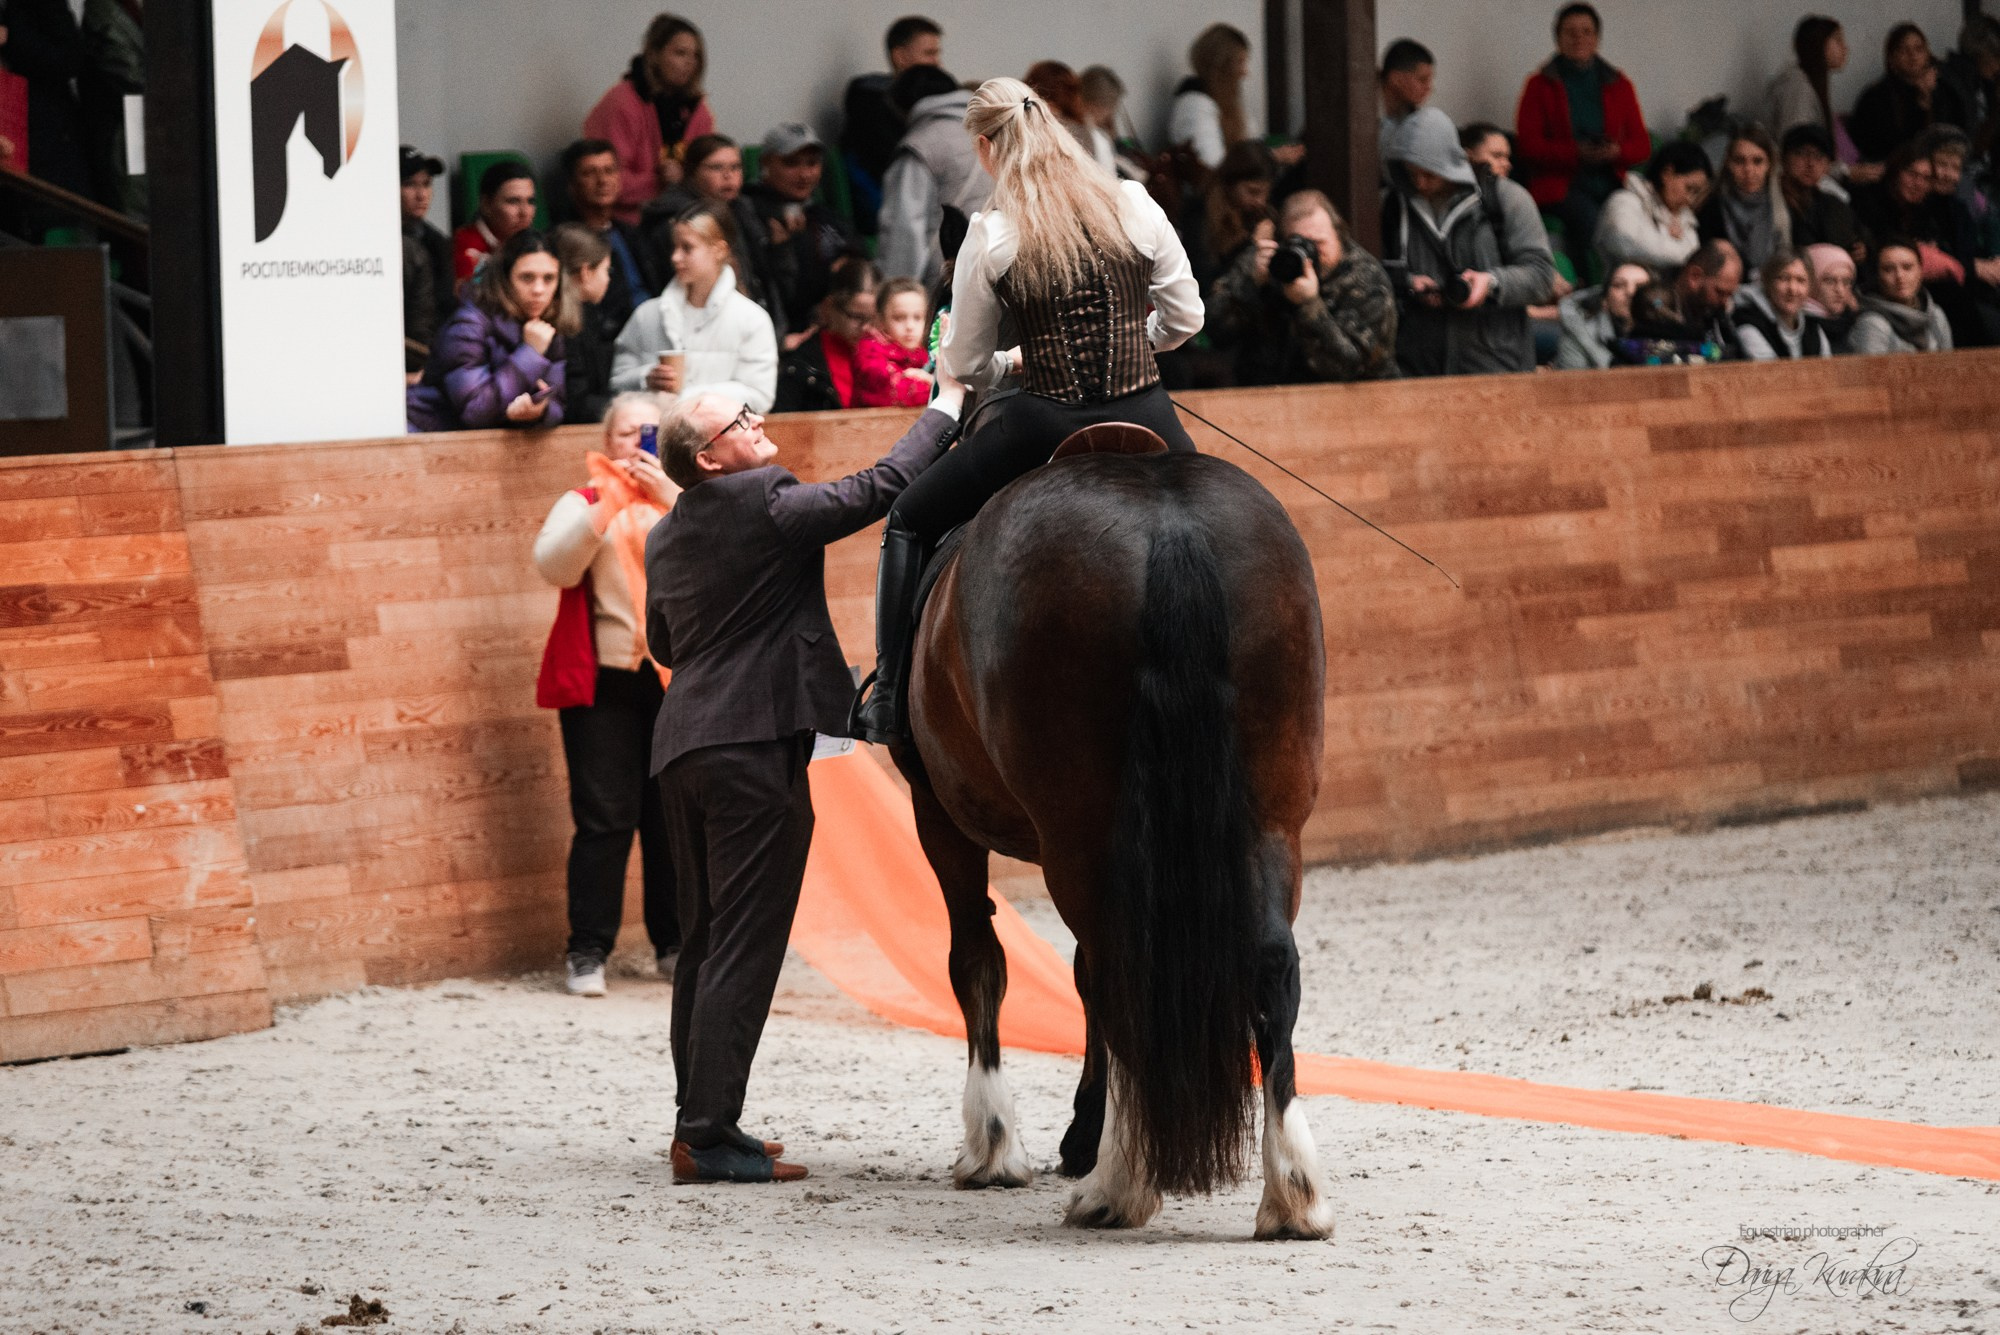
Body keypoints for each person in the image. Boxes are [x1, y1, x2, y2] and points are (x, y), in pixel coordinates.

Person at [642, 376, 964, 1184]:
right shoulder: (764, 496)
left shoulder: (665, 532)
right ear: (709, 457)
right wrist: (948, 408)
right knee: (744, 943)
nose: (758, 422)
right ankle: (709, 1136)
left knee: (706, 939)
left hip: (684, 744)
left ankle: (697, 1119)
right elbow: (881, 489)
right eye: (739, 420)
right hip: (752, 745)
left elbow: (667, 642)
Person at [852, 77, 1204, 744]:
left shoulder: (993, 232)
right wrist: (1138, 341)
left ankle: (889, 696)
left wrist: (1012, 364)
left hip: (1043, 417)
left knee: (908, 518)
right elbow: (1186, 317)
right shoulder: (1133, 201)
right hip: (1148, 408)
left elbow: (965, 364)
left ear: (986, 147)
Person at [534, 391, 682, 998]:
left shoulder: (686, 499)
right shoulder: (584, 500)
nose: (637, 441)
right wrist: (609, 505)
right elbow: (554, 566)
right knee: (604, 819)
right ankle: (588, 950)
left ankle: (674, 944)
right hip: (604, 682)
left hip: (678, 681)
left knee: (671, 818)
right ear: (607, 440)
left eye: (650, 431)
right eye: (626, 432)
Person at [1381, 107, 1556, 378]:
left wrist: (1491, 284)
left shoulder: (1507, 199)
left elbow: (1542, 276)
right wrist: (1407, 283)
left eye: (1429, 174)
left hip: (1496, 362)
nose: (1420, 183)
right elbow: (1371, 277)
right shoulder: (1391, 208)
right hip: (1417, 366)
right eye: (1411, 173)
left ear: (1449, 163)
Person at [1514, 2, 1652, 276]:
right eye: (1571, 32)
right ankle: (1597, 286)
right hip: (1561, 184)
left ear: (1597, 38)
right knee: (1588, 220)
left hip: (1611, 178)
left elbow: (1642, 145)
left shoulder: (1619, 84)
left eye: (1586, 32)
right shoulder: (1539, 86)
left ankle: (1633, 285)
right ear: (1558, 38)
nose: (1579, 38)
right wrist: (1575, 152)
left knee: (1630, 217)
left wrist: (1615, 152)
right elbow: (1528, 146)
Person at [1207, 189, 1397, 385]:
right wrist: (1251, 284)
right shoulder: (1266, 262)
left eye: (1318, 243)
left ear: (1339, 235)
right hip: (1266, 392)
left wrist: (1309, 305)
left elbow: (1348, 369)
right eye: (1298, 242)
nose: (1310, 253)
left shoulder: (1366, 277)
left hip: (1356, 401)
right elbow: (1211, 332)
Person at [612, 203, 778, 412]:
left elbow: (760, 396)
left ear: (719, 250)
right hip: (655, 438)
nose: (675, 257)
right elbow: (616, 382)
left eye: (687, 248)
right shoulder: (648, 315)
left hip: (721, 439)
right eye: (674, 247)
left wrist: (689, 399)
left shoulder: (752, 319)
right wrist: (645, 378)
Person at [408, 230, 574, 432]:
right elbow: (475, 412)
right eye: (527, 278)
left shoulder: (545, 326)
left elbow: (558, 404)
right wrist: (530, 353)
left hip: (484, 447)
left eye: (549, 279)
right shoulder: (468, 325)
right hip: (427, 437)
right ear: (505, 279)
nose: (539, 289)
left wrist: (539, 412)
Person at [638, 135, 781, 329]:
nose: (728, 175)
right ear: (692, 172)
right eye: (716, 167)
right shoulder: (675, 221)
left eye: (735, 167)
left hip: (753, 323)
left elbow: (764, 280)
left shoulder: (743, 210)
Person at [583, 14, 715, 225]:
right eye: (680, 53)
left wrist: (687, 180)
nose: (690, 63)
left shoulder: (697, 110)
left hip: (682, 214)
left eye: (696, 55)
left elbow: (708, 177)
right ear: (654, 55)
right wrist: (662, 182)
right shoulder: (622, 103)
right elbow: (608, 184)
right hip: (626, 221)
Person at [743, 122, 860, 343]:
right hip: (780, 335)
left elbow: (857, 250)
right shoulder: (748, 213)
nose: (805, 174)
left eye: (812, 163)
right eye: (791, 163)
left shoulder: (820, 212)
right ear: (766, 163)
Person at [878, 65, 992, 287]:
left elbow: (905, 231)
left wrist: (895, 293)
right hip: (998, 272)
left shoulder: (918, 147)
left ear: (903, 108)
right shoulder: (990, 135)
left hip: (947, 280)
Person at [840, 15, 944, 233]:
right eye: (929, 53)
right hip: (888, 211)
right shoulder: (871, 106)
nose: (937, 63)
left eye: (937, 53)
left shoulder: (928, 104)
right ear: (900, 57)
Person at [560, 138, 664, 336]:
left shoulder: (634, 233)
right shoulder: (565, 242)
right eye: (590, 173)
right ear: (571, 185)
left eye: (609, 171)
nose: (603, 181)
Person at [1170, 24, 1303, 174]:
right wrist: (1271, 157)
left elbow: (1251, 141)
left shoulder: (1227, 103)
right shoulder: (1195, 105)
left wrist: (1277, 151)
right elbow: (1213, 164)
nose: (1245, 72)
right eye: (1240, 62)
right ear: (1221, 66)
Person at [1850, 24, 1970, 170]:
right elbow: (1890, 147)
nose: (1913, 56)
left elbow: (1959, 134)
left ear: (1927, 54)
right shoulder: (1876, 96)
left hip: (1945, 168)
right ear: (1892, 57)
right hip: (1897, 171)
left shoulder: (1945, 89)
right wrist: (1921, 106)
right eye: (1904, 50)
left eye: (1919, 49)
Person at [773, 259, 882, 412]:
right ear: (829, 307)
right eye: (856, 317)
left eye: (873, 318)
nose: (866, 327)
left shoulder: (890, 355)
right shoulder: (801, 365)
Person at [1592, 140, 1711, 274]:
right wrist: (1670, 237)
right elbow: (1625, 244)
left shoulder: (1684, 216)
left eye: (1697, 193)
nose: (1690, 200)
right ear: (1667, 173)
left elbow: (1695, 256)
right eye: (1689, 188)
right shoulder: (1624, 202)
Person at [1182, 140, 1277, 296]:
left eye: (1266, 193)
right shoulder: (1199, 214)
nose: (1261, 201)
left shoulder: (1261, 214)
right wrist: (1252, 246)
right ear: (1231, 184)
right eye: (1253, 192)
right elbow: (1204, 282)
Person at [1696, 125, 1792, 270]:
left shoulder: (1785, 203)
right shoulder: (1711, 207)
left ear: (1770, 164)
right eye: (1739, 161)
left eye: (1757, 161)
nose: (1748, 170)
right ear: (1728, 163)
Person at [552, 223, 617, 424]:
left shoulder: (586, 313)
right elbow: (577, 402)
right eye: (607, 270)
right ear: (586, 272)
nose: (608, 279)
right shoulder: (565, 324)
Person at [400, 146, 455, 376]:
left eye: (426, 184)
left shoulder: (438, 242)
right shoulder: (372, 243)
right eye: (410, 184)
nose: (421, 194)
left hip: (432, 359)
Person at [1848, 238, 1953, 354]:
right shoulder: (1872, 324)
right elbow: (1871, 372)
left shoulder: (1936, 315)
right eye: (1888, 269)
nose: (1899, 276)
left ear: (1920, 271)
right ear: (1877, 275)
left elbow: (1949, 368)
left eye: (1907, 267)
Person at [1779, 124, 1866, 261]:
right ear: (1784, 158)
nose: (1810, 163)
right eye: (1801, 153)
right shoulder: (1769, 201)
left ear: (1827, 166)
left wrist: (1861, 250)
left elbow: (1858, 238)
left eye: (1819, 157)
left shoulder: (1833, 204)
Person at [1766, 17, 1852, 153]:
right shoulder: (1798, 87)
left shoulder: (1810, 82)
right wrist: (1845, 172)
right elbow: (1795, 148)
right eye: (1838, 40)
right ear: (1818, 44)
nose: (1845, 48)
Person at [1735, 248, 1833, 358]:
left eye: (1801, 280)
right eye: (1784, 278)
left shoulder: (1813, 328)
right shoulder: (1749, 324)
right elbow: (1772, 374)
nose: (1792, 289)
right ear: (1768, 282)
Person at [854, 277, 934, 408]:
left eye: (918, 317)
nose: (910, 326)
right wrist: (936, 384)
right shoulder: (869, 356)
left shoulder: (926, 357)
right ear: (881, 320)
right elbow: (903, 394)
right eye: (899, 318)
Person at [1552, 260, 1650, 368]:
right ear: (1604, 301)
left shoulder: (1670, 332)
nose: (1630, 292)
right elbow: (1572, 384)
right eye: (1619, 285)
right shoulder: (1578, 336)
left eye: (1641, 286)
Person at [454, 161, 538, 286]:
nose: (525, 212)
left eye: (530, 201)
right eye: (513, 201)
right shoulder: (464, 245)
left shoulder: (539, 243)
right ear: (486, 204)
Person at [1078, 65, 1151, 183]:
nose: (1112, 114)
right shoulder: (1097, 138)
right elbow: (1109, 181)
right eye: (1113, 106)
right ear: (1099, 106)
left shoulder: (1064, 128)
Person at [1670, 238, 1743, 354]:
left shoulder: (1717, 317)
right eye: (1720, 292)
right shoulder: (1655, 305)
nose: (1725, 302)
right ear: (1695, 276)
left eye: (1729, 295)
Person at [1379, 39, 1436, 163]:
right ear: (1396, 79)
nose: (1429, 87)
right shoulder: (1360, 113)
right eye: (1422, 80)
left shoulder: (1413, 118)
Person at [1803, 241, 1861, 349]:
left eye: (1846, 282)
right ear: (1810, 282)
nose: (1840, 290)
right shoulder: (1799, 328)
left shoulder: (1850, 322)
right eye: (1829, 281)